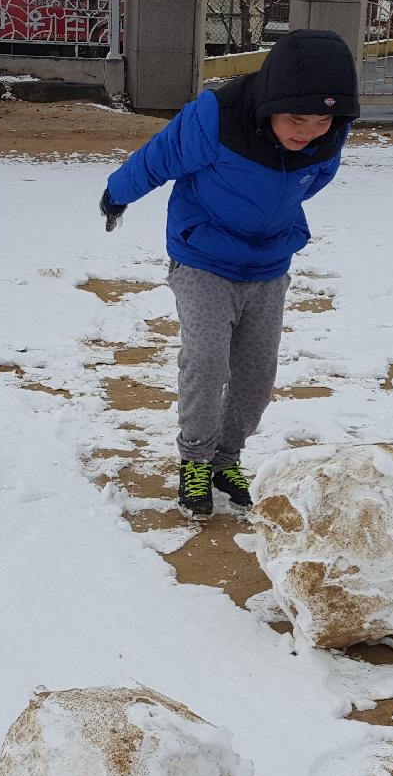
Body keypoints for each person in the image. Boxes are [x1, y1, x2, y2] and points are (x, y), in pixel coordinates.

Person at [99, 28, 359, 518]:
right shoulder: (214, 120)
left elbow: (313, 180)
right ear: (268, 104)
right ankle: (194, 460)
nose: (307, 132)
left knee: (257, 376)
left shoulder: (330, 136)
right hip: (203, 259)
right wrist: (118, 194)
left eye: (321, 120)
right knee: (207, 362)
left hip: (268, 265)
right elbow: (158, 158)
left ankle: (225, 459)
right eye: (295, 119)